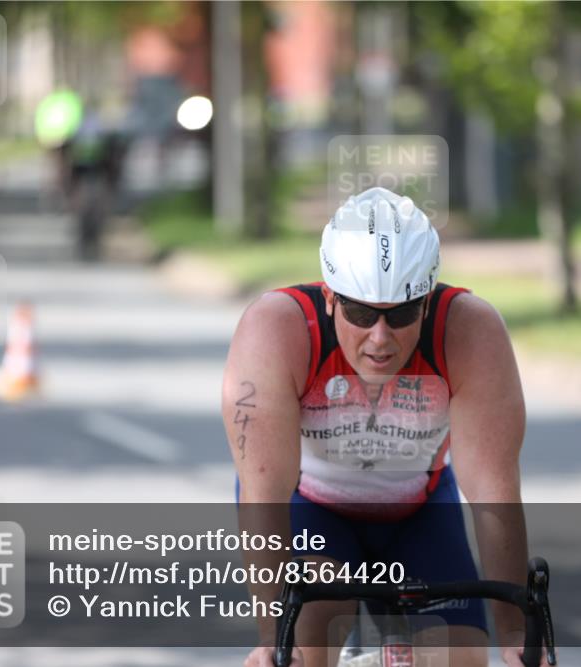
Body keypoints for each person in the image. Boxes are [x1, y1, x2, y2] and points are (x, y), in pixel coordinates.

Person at [223, 187, 547, 666]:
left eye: (401, 314)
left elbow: (494, 492)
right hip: (312, 510)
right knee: (306, 645)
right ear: (330, 296)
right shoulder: (276, 329)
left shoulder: (470, 331)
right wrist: (275, 639)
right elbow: (264, 492)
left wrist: (518, 635)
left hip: (418, 512)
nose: (380, 338)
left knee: (462, 660)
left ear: (428, 299)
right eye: (360, 313)